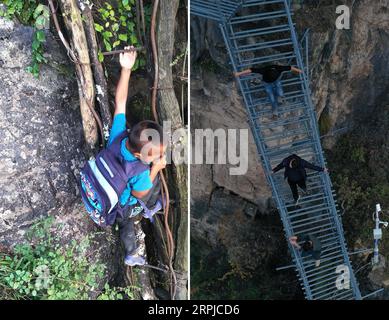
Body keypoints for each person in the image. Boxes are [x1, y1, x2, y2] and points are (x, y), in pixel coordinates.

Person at [109, 46, 167, 266]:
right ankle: (131, 252)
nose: (158, 156)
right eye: (154, 155)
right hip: (123, 203)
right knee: (130, 218)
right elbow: (140, 191)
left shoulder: (118, 136)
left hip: (111, 183)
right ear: (137, 154)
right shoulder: (141, 169)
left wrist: (126, 70)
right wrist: (155, 169)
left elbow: (120, 103)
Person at [235, 64, 303, 118]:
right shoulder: (263, 70)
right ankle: (275, 112)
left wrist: (299, 70)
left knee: (279, 89)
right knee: (271, 97)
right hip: (266, 82)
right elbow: (251, 70)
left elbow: (290, 67)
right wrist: (239, 73)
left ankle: (280, 97)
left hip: (275, 80)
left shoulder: (279, 69)